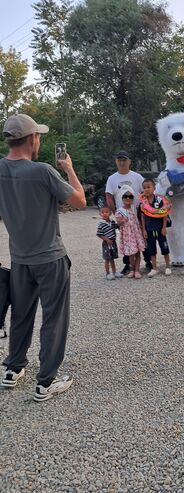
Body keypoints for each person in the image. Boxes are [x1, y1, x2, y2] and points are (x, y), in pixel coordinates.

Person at [0, 113, 86, 401]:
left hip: (20, 259)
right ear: (33, 138)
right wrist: (69, 169)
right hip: (50, 257)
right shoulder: (43, 171)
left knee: (20, 316)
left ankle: (13, 369)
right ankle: (46, 381)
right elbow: (79, 201)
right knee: (53, 318)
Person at [105, 150, 152, 273]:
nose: (122, 162)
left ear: (129, 162)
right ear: (116, 161)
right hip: (123, 213)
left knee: (143, 236)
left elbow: (146, 191)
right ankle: (128, 265)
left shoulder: (136, 177)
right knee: (126, 238)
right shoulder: (112, 178)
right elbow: (109, 196)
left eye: (124, 160)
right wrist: (115, 212)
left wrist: (147, 207)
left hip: (138, 212)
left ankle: (148, 261)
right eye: (119, 160)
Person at [139, 178, 171, 277]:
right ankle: (154, 268)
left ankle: (168, 266)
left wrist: (164, 227)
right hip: (149, 230)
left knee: (164, 248)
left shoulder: (160, 200)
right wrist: (143, 229)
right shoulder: (143, 203)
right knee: (151, 250)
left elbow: (164, 214)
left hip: (160, 229)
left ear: (154, 188)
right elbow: (142, 217)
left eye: (149, 187)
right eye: (144, 188)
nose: (146, 189)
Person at [115, 186, 145, 279]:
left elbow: (138, 220)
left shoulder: (134, 209)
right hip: (128, 235)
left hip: (136, 233)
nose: (128, 198)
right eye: (125, 196)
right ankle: (132, 269)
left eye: (130, 197)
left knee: (137, 252)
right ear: (122, 198)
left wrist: (142, 230)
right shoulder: (120, 211)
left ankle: (137, 270)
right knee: (131, 253)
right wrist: (122, 221)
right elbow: (118, 224)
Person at [96, 206, 122, 280]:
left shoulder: (112, 222)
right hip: (106, 243)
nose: (105, 214)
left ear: (110, 213)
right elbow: (99, 234)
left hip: (113, 242)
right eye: (102, 212)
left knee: (112, 258)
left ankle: (114, 272)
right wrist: (106, 239)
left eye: (106, 212)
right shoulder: (101, 224)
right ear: (100, 214)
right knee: (107, 258)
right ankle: (108, 273)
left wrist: (121, 223)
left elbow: (117, 227)